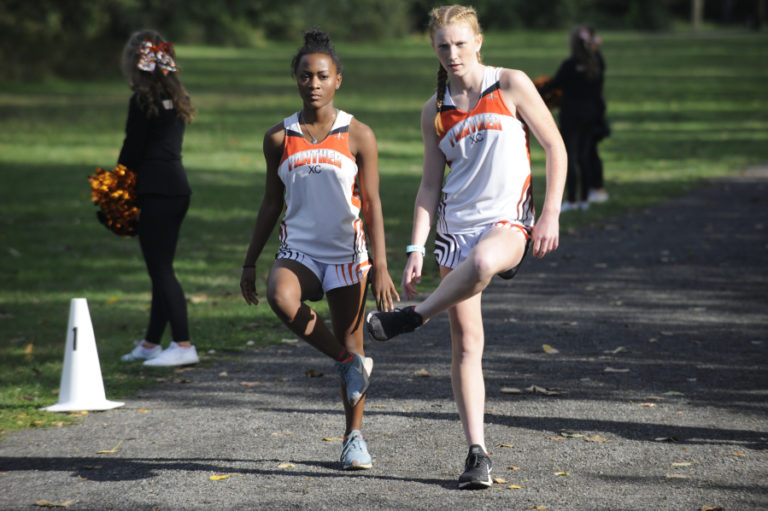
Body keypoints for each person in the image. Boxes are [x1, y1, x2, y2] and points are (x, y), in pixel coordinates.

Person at [365, 5, 566, 489]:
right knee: (467, 345)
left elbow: (555, 146)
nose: (452, 54)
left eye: (459, 43)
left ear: (478, 42)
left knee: (482, 261)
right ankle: (477, 453)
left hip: (507, 224)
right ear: (433, 49)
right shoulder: (434, 111)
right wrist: (416, 248)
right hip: (454, 230)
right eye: (442, 46)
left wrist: (551, 213)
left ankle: (414, 316)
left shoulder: (510, 84)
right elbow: (430, 187)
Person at [239, 29, 399, 471]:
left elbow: (372, 205)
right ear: (296, 78)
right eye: (306, 75)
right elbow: (271, 202)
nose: (314, 83)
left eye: (322, 76)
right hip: (300, 252)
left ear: (338, 80)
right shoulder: (278, 138)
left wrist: (381, 265)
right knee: (281, 296)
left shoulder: (359, 134)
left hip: (348, 256)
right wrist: (251, 260)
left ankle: (354, 439)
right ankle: (349, 363)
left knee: (352, 335)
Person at [117, 30, 200, 367]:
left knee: (162, 270)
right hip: (177, 189)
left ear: (135, 63)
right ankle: (152, 343)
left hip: (154, 192)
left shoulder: (142, 101)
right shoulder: (174, 100)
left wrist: (117, 187)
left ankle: (183, 344)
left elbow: (131, 150)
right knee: (160, 270)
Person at [539, 25, 606, 211]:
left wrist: (536, 91)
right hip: (591, 114)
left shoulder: (569, 66)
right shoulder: (597, 64)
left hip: (571, 116)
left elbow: (553, 84)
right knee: (584, 157)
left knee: (569, 157)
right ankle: (585, 200)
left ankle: (572, 200)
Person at [585, 25, 609, 204]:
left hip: (591, 112)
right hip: (593, 110)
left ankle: (597, 187)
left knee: (589, 151)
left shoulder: (591, 62)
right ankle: (594, 187)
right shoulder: (591, 60)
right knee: (589, 151)